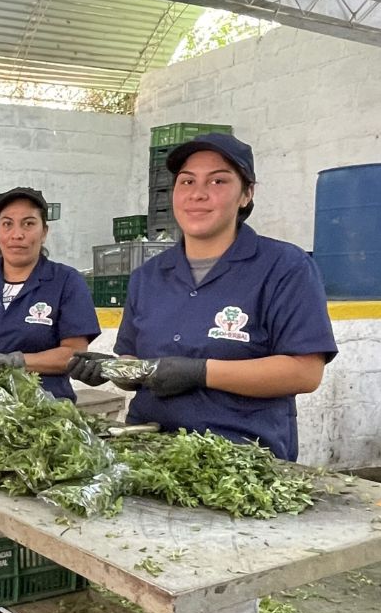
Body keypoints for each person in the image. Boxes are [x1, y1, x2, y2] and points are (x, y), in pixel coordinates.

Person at [67, 133, 338, 462]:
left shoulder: (285, 267)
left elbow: (304, 373)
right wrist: (113, 371)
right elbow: (138, 367)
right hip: (147, 451)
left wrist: (200, 372)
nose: (198, 194)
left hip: (242, 458)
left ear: (246, 194)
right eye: (186, 182)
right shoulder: (148, 276)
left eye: (218, 181)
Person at [0, 187, 102, 401]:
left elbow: (73, 354)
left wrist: (13, 361)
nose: (17, 234)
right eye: (7, 224)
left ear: (44, 232)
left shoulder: (66, 281)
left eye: (29, 223)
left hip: (43, 410)